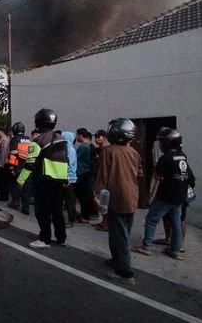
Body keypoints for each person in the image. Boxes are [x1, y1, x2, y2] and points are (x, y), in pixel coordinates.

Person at [133, 128, 196, 260]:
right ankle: (175, 250)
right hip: (180, 197)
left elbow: (157, 176)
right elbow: (191, 178)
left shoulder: (165, 158)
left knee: (151, 219)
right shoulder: (182, 156)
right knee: (177, 223)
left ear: (167, 143)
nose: (160, 145)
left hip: (166, 196)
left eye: (162, 142)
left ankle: (146, 246)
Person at [94, 118, 140, 285]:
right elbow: (138, 174)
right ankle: (117, 260)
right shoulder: (134, 153)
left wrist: (97, 196)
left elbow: (102, 177)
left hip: (116, 198)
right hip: (131, 198)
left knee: (119, 236)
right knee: (121, 232)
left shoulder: (108, 152)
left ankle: (125, 272)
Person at [22, 109, 69, 249]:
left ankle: (45, 239)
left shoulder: (36, 141)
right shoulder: (62, 140)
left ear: (38, 122)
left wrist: (20, 181)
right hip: (59, 181)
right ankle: (62, 239)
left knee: (42, 212)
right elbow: (67, 160)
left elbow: (29, 164)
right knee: (57, 211)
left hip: (44, 181)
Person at [75, 128, 99, 222]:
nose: (76, 137)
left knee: (83, 196)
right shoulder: (91, 146)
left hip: (83, 174)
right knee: (87, 195)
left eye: (77, 134)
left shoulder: (83, 147)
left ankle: (85, 216)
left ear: (80, 135)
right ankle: (91, 213)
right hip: (88, 173)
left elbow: (76, 159)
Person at [7, 122, 31, 214]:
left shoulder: (14, 140)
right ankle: (26, 208)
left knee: (14, 185)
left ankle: (15, 202)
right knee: (26, 188)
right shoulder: (28, 139)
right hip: (27, 167)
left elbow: (13, 155)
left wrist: (11, 168)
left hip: (18, 167)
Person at [93, 129, 111, 231]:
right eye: (95, 137)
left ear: (104, 137)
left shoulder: (108, 150)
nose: (96, 139)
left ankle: (107, 223)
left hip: (106, 180)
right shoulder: (97, 150)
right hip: (97, 177)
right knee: (99, 202)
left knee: (105, 203)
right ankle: (103, 220)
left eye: (98, 137)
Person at [61, 131, 79, 227]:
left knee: (69, 201)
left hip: (69, 179)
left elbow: (69, 165)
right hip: (66, 178)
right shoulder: (66, 148)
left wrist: (67, 178)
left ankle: (72, 220)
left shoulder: (70, 150)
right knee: (65, 200)